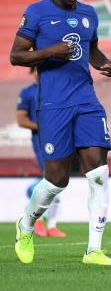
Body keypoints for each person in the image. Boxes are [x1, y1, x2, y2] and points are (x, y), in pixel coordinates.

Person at [10, 0, 111, 265]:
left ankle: (94, 250)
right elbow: (16, 56)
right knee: (57, 180)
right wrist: (50, 52)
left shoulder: (89, 14)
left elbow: (92, 49)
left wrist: (104, 63)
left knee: (98, 173)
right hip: (53, 105)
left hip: (86, 100)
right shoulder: (36, 12)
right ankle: (26, 225)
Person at [17, 67, 66, 238]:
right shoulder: (28, 93)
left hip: (59, 137)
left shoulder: (55, 89)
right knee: (51, 178)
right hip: (41, 140)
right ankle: (37, 221)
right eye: (36, 70)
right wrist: (43, 127)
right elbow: (21, 120)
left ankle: (51, 225)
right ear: (32, 73)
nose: (40, 73)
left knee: (58, 180)